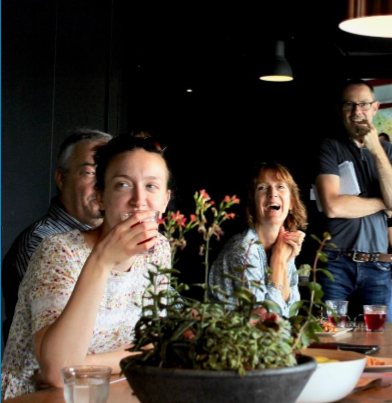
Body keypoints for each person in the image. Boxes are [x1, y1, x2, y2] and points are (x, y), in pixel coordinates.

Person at [1, 135, 172, 398]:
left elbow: (153, 347)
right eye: (123, 185)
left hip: (112, 389)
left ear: (165, 200)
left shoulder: (158, 249)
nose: (139, 201)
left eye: (151, 186)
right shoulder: (58, 251)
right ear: (101, 197)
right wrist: (101, 261)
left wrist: (86, 364)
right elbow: (58, 374)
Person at [2, 130, 112, 344]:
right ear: (62, 179)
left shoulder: (118, 239)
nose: (101, 185)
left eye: (109, 174)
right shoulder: (43, 242)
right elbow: (77, 338)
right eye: (90, 173)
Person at [315, 79, 392, 316]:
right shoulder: (330, 147)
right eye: (350, 105)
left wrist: (376, 148)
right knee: (331, 338)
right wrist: (382, 202)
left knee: (377, 341)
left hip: (378, 264)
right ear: (340, 109)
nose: (357, 112)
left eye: (364, 105)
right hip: (336, 262)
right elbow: (333, 206)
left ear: (375, 108)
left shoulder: (389, 152)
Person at [210, 162, 307, 314]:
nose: (272, 193)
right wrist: (279, 259)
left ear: (292, 203)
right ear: (252, 203)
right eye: (262, 188)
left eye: (280, 186)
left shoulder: (282, 244)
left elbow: (290, 311)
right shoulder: (243, 249)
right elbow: (267, 318)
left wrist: (283, 258)